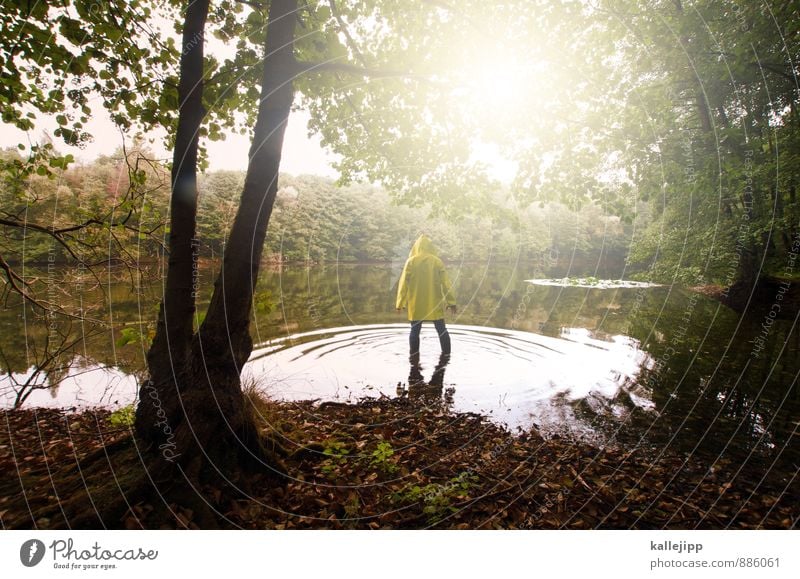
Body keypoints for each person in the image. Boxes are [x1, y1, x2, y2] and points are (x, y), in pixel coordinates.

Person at [395, 234, 456, 359]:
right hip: (434, 303)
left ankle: (414, 357)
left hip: (416, 303)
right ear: (430, 247)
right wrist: (451, 302)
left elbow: (403, 283)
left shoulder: (411, 262)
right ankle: (447, 356)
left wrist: (400, 303)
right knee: (441, 329)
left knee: (414, 330)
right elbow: (446, 284)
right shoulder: (437, 261)